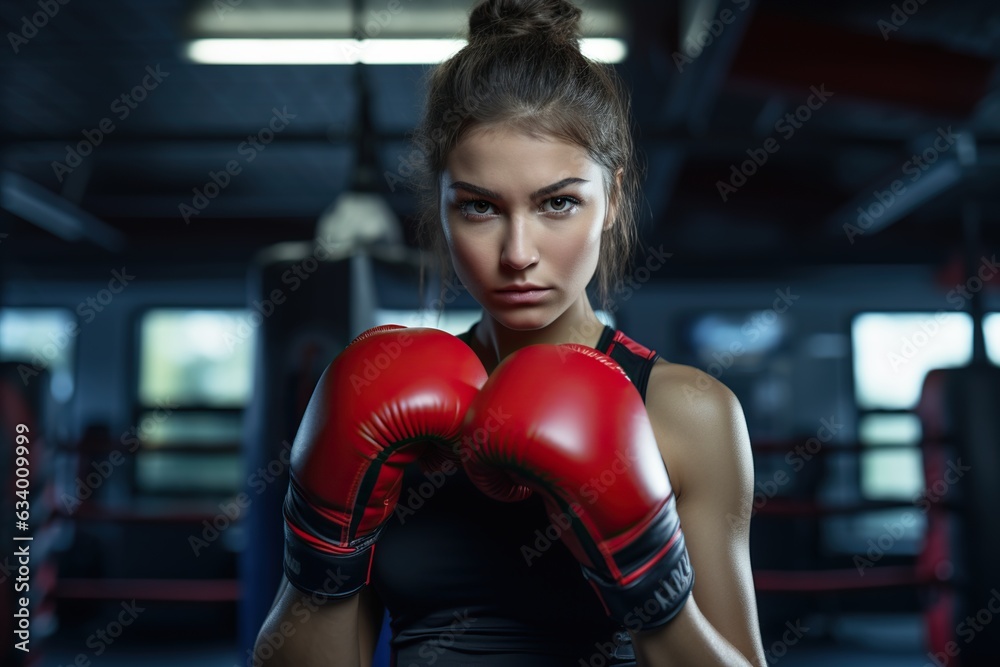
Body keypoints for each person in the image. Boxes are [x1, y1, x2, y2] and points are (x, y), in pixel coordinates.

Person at [254, 0, 767, 665]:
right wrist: (322, 552)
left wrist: (650, 582)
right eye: (480, 206)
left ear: (610, 199)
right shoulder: (380, 395)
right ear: (440, 208)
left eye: (558, 202)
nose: (518, 251)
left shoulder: (688, 413)